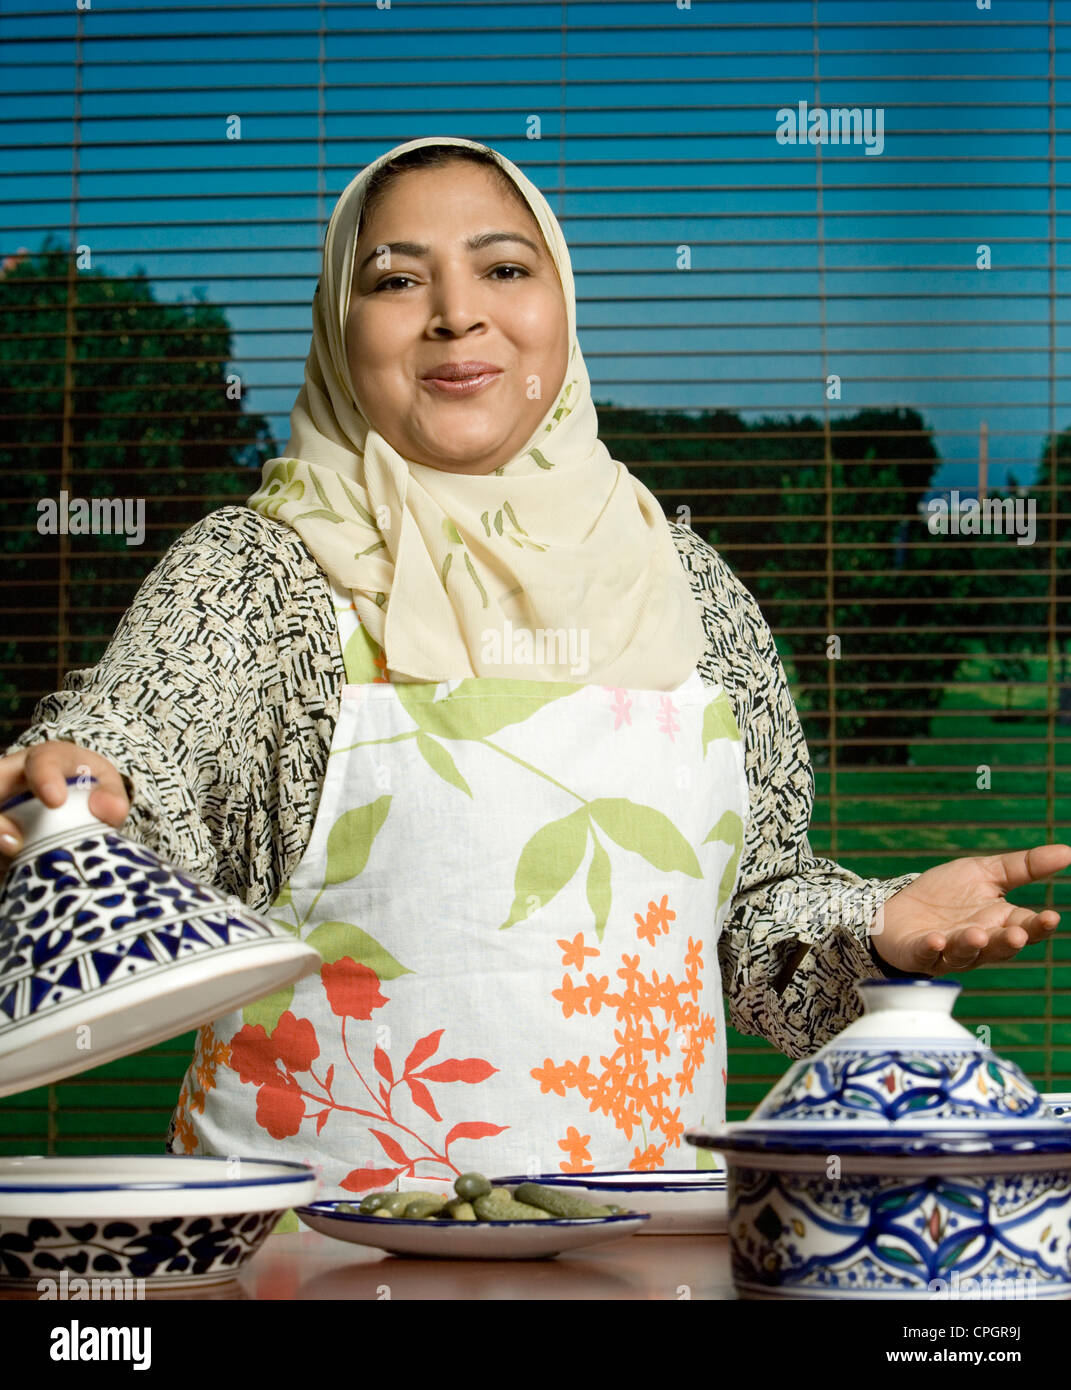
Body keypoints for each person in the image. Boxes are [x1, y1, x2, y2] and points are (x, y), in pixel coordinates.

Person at [2, 137, 1067, 1196]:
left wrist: (874, 931)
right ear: (339, 324)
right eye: (397, 279)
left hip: (647, 1251)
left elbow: (750, 924)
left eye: (504, 268)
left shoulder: (690, 585)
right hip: (314, 1255)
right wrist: (77, 793)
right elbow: (142, 748)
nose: (457, 312)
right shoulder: (261, 571)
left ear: (562, 306)